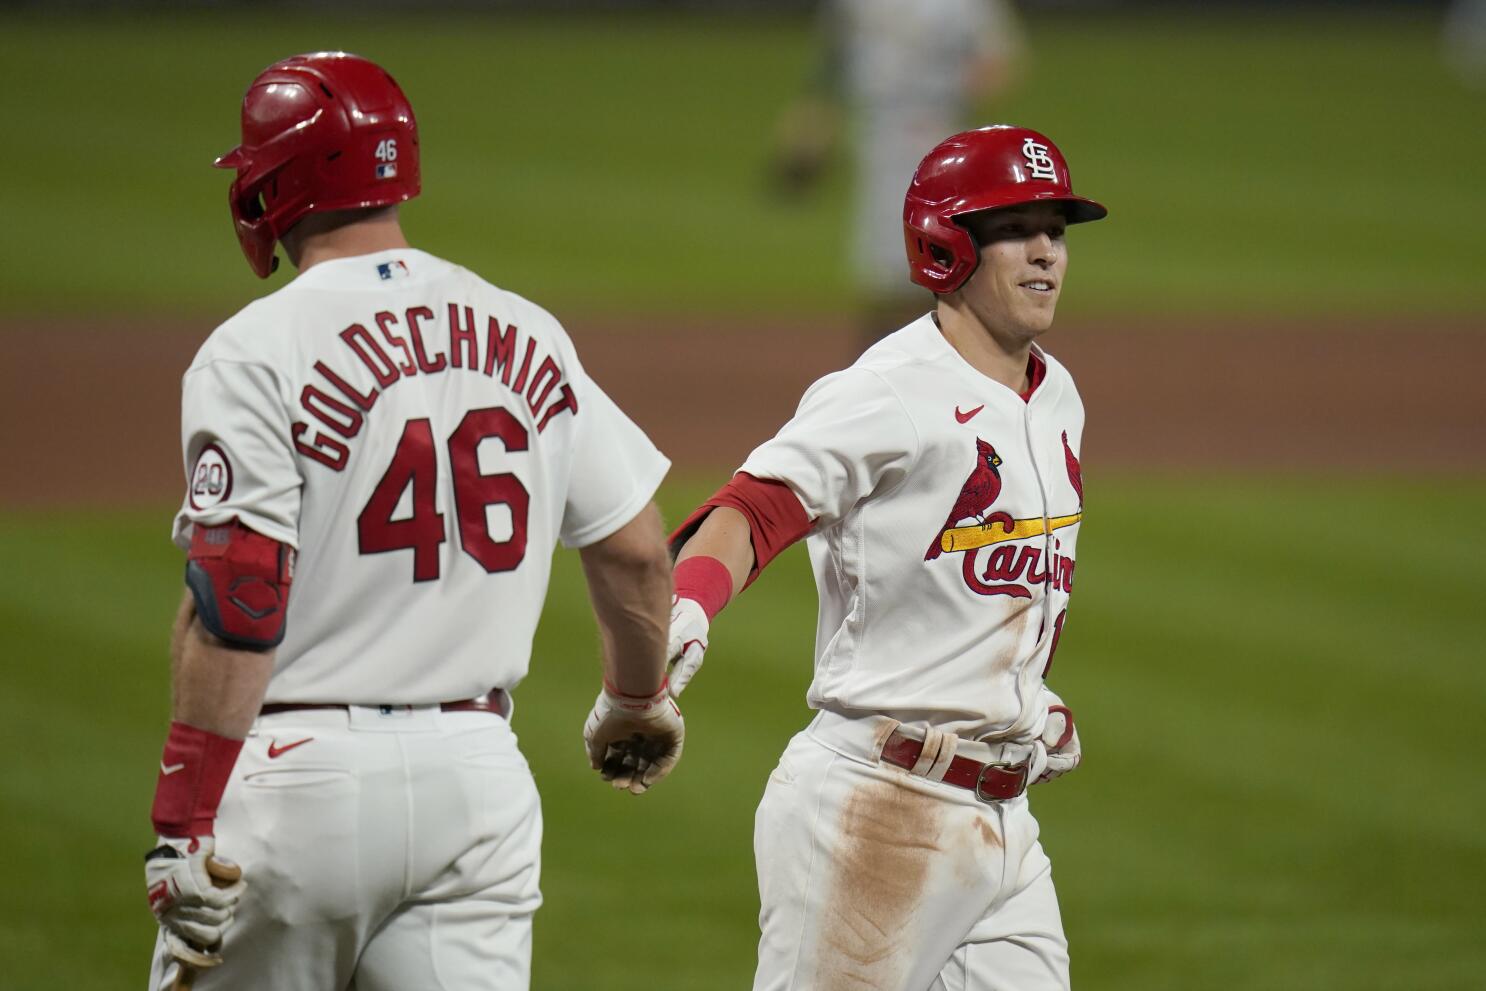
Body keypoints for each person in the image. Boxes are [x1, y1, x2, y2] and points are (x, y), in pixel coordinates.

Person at [142, 51, 684, 991]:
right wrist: (637, 703)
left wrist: (182, 817)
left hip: (297, 787)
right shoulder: (525, 327)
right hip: (477, 787)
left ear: (277, 183)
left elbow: (240, 595)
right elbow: (637, 551)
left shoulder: (256, 349)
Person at [668, 125, 1105, 990]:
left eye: (1056, 228)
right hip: (873, 813)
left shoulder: (1057, 394)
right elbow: (751, 509)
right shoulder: (887, 389)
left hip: (1004, 825)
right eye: (1016, 228)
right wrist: (683, 614)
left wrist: (1017, 702)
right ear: (948, 244)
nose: (1047, 252)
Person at [768, 0, 1025, 345]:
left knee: (935, 262)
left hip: (940, 134)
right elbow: (835, 57)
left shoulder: (967, 6)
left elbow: (997, 62)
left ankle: (934, 366)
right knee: (886, 273)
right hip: (880, 133)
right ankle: (884, 371)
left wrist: (950, 103)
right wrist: (814, 117)